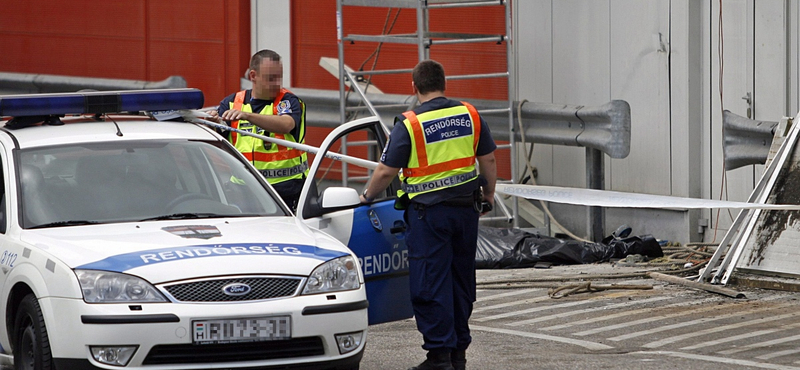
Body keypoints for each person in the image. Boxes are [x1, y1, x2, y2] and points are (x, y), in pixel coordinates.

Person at [359, 60, 497, 370]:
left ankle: (439, 357)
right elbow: (487, 158)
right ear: (443, 83)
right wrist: (488, 195)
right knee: (460, 281)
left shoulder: (410, 124)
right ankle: (458, 353)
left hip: (429, 216)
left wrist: (367, 196)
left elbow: (385, 171)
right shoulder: (469, 114)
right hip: (466, 212)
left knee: (429, 284)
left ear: (414, 87)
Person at [207, 49, 308, 211]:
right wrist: (212, 123)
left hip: (285, 190)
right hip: (243, 190)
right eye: (271, 78)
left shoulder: (287, 101)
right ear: (253, 76)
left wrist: (248, 116)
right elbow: (220, 138)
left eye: (279, 77)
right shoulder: (231, 103)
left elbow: (286, 124)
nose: (277, 84)